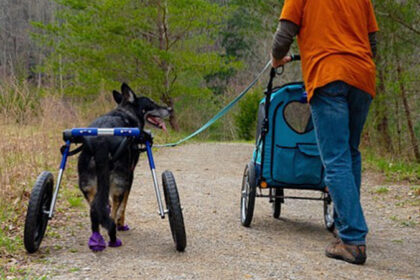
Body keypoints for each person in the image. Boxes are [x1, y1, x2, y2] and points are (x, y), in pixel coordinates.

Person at [271, 0, 378, 265]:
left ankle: (353, 240)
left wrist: (276, 59)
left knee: (336, 158)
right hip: (362, 77)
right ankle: (345, 224)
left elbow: (283, 36)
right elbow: (372, 43)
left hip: (328, 74)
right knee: (350, 152)